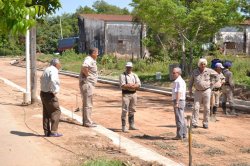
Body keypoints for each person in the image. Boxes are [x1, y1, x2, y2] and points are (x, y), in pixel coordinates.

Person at [189, 58, 219, 129]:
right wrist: (190, 90)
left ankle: (205, 123)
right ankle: (195, 123)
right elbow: (191, 81)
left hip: (207, 91)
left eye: (204, 64)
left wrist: (213, 83)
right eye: (201, 64)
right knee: (196, 107)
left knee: (207, 108)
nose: (203, 65)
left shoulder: (209, 70)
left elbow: (217, 76)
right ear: (199, 64)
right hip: (197, 91)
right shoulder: (195, 71)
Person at [40, 58, 62, 137]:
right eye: (59, 63)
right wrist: (54, 91)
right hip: (49, 94)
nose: (60, 65)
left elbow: (41, 79)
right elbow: (53, 80)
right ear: (56, 64)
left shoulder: (47, 69)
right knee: (56, 111)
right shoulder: (54, 70)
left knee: (46, 113)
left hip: (43, 93)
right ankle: (53, 131)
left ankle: (47, 132)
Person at [79, 47, 99, 127]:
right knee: (88, 103)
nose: (98, 54)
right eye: (97, 52)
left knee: (88, 102)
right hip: (87, 84)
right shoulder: (89, 59)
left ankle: (87, 121)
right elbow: (84, 67)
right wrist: (87, 75)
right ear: (93, 53)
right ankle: (87, 122)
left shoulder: (91, 60)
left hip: (89, 84)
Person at [119, 62, 141, 132]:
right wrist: (132, 85)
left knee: (132, 109)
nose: (129, 68)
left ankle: (131, 125)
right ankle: (123, 126)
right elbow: (122, 85)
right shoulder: (122, 75)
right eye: (127, 67)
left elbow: (139, 84)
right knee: (124, 110)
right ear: (126, 67)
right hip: (126, 94)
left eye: (130, 67)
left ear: (132, 68)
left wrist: (131, 85)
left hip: (134, 94)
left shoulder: (134, 75)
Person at [171, 67, 187, 140]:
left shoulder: (178, 81)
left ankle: (179, 135)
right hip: (181, 100)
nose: (173, 74)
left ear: (179, 73)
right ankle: (183, 134)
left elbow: (178, 92)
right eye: (173, 72)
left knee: (179, 118)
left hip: (178, 100)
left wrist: (176, 102)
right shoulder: (181, 80)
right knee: (182, 118)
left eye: (174, 73)